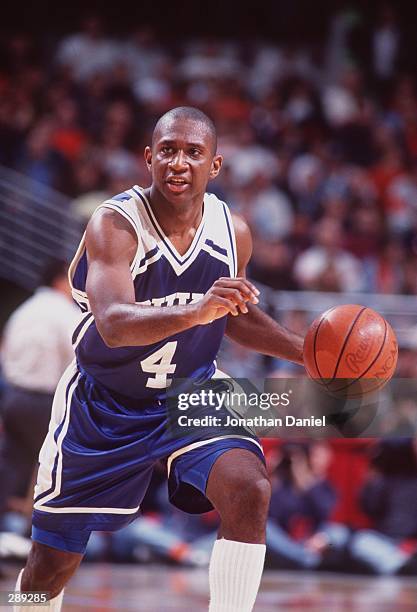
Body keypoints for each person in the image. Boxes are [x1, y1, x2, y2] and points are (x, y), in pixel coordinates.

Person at [14, 106, 303, 612]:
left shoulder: (233, 232)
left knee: (250, 489)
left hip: (190, 392)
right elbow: (114, 323)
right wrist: (198, 309)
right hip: (105, 405)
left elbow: (233, 316)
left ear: (214, 166)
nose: (178, 162)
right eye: (168, 150)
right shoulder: (115, 224)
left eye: (194, 153)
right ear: (149, 158)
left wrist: (306, 353)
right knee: (50, 566)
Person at [0, 259, 80, 525]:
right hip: (42, 401)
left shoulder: (24, 309)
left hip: (13, 397)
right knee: (59, 467)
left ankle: (19, 536)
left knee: (10, 468)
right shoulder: (63, 311)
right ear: (60, 280)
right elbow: (79, 357)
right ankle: (39, 538)